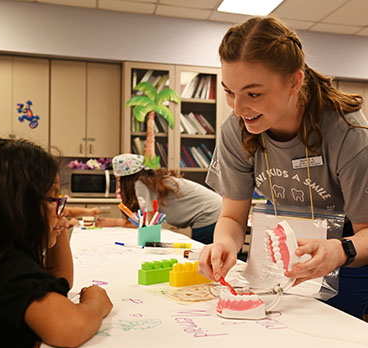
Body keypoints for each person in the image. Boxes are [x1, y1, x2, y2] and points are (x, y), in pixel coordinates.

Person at [198, 16, 368, 319]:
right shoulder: (235, 130)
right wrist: (223, 244)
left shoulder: (347, 132)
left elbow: (366, 233)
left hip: (344, 262)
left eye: (253, 94)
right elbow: (232, 218)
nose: (237, 109)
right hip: (275, 259)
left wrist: (339, 251)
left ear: (295, 81)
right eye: (229, 91)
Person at [0, 138, 113, 348]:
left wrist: (57, 227)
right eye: (53, 198)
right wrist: (96, 304)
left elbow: (58, 280)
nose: (62, 207)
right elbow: (70, 326)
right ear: (17, 206)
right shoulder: (5, 269)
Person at [97, 153, 222, 244]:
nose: (119, 185)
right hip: (215, 211)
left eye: (119, 180)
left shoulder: (140, 184)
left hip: (209, 215)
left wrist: (114, 222)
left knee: (205, 259)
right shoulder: (148, 180)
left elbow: (147, 223)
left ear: (126, 179)